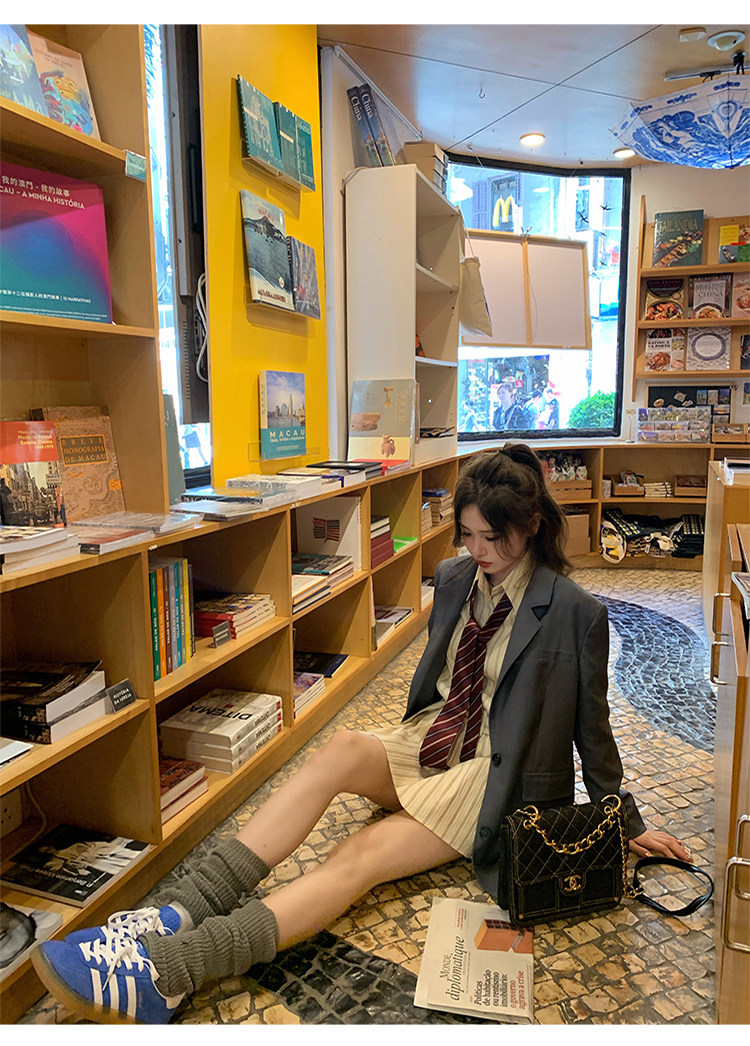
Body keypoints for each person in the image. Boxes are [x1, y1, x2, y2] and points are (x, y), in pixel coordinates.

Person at [33, 444, 691, 1025]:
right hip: (434, 738)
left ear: (533, 526)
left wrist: (624, 821)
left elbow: (593, 729)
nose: (477, 551)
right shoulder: (457, 578)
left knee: (362, 855)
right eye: (466, 535)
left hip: (492, 775)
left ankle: (168, 972)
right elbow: (440, 682)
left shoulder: (576, 613)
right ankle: (173, 912)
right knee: (342, 747)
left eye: (493, 537)